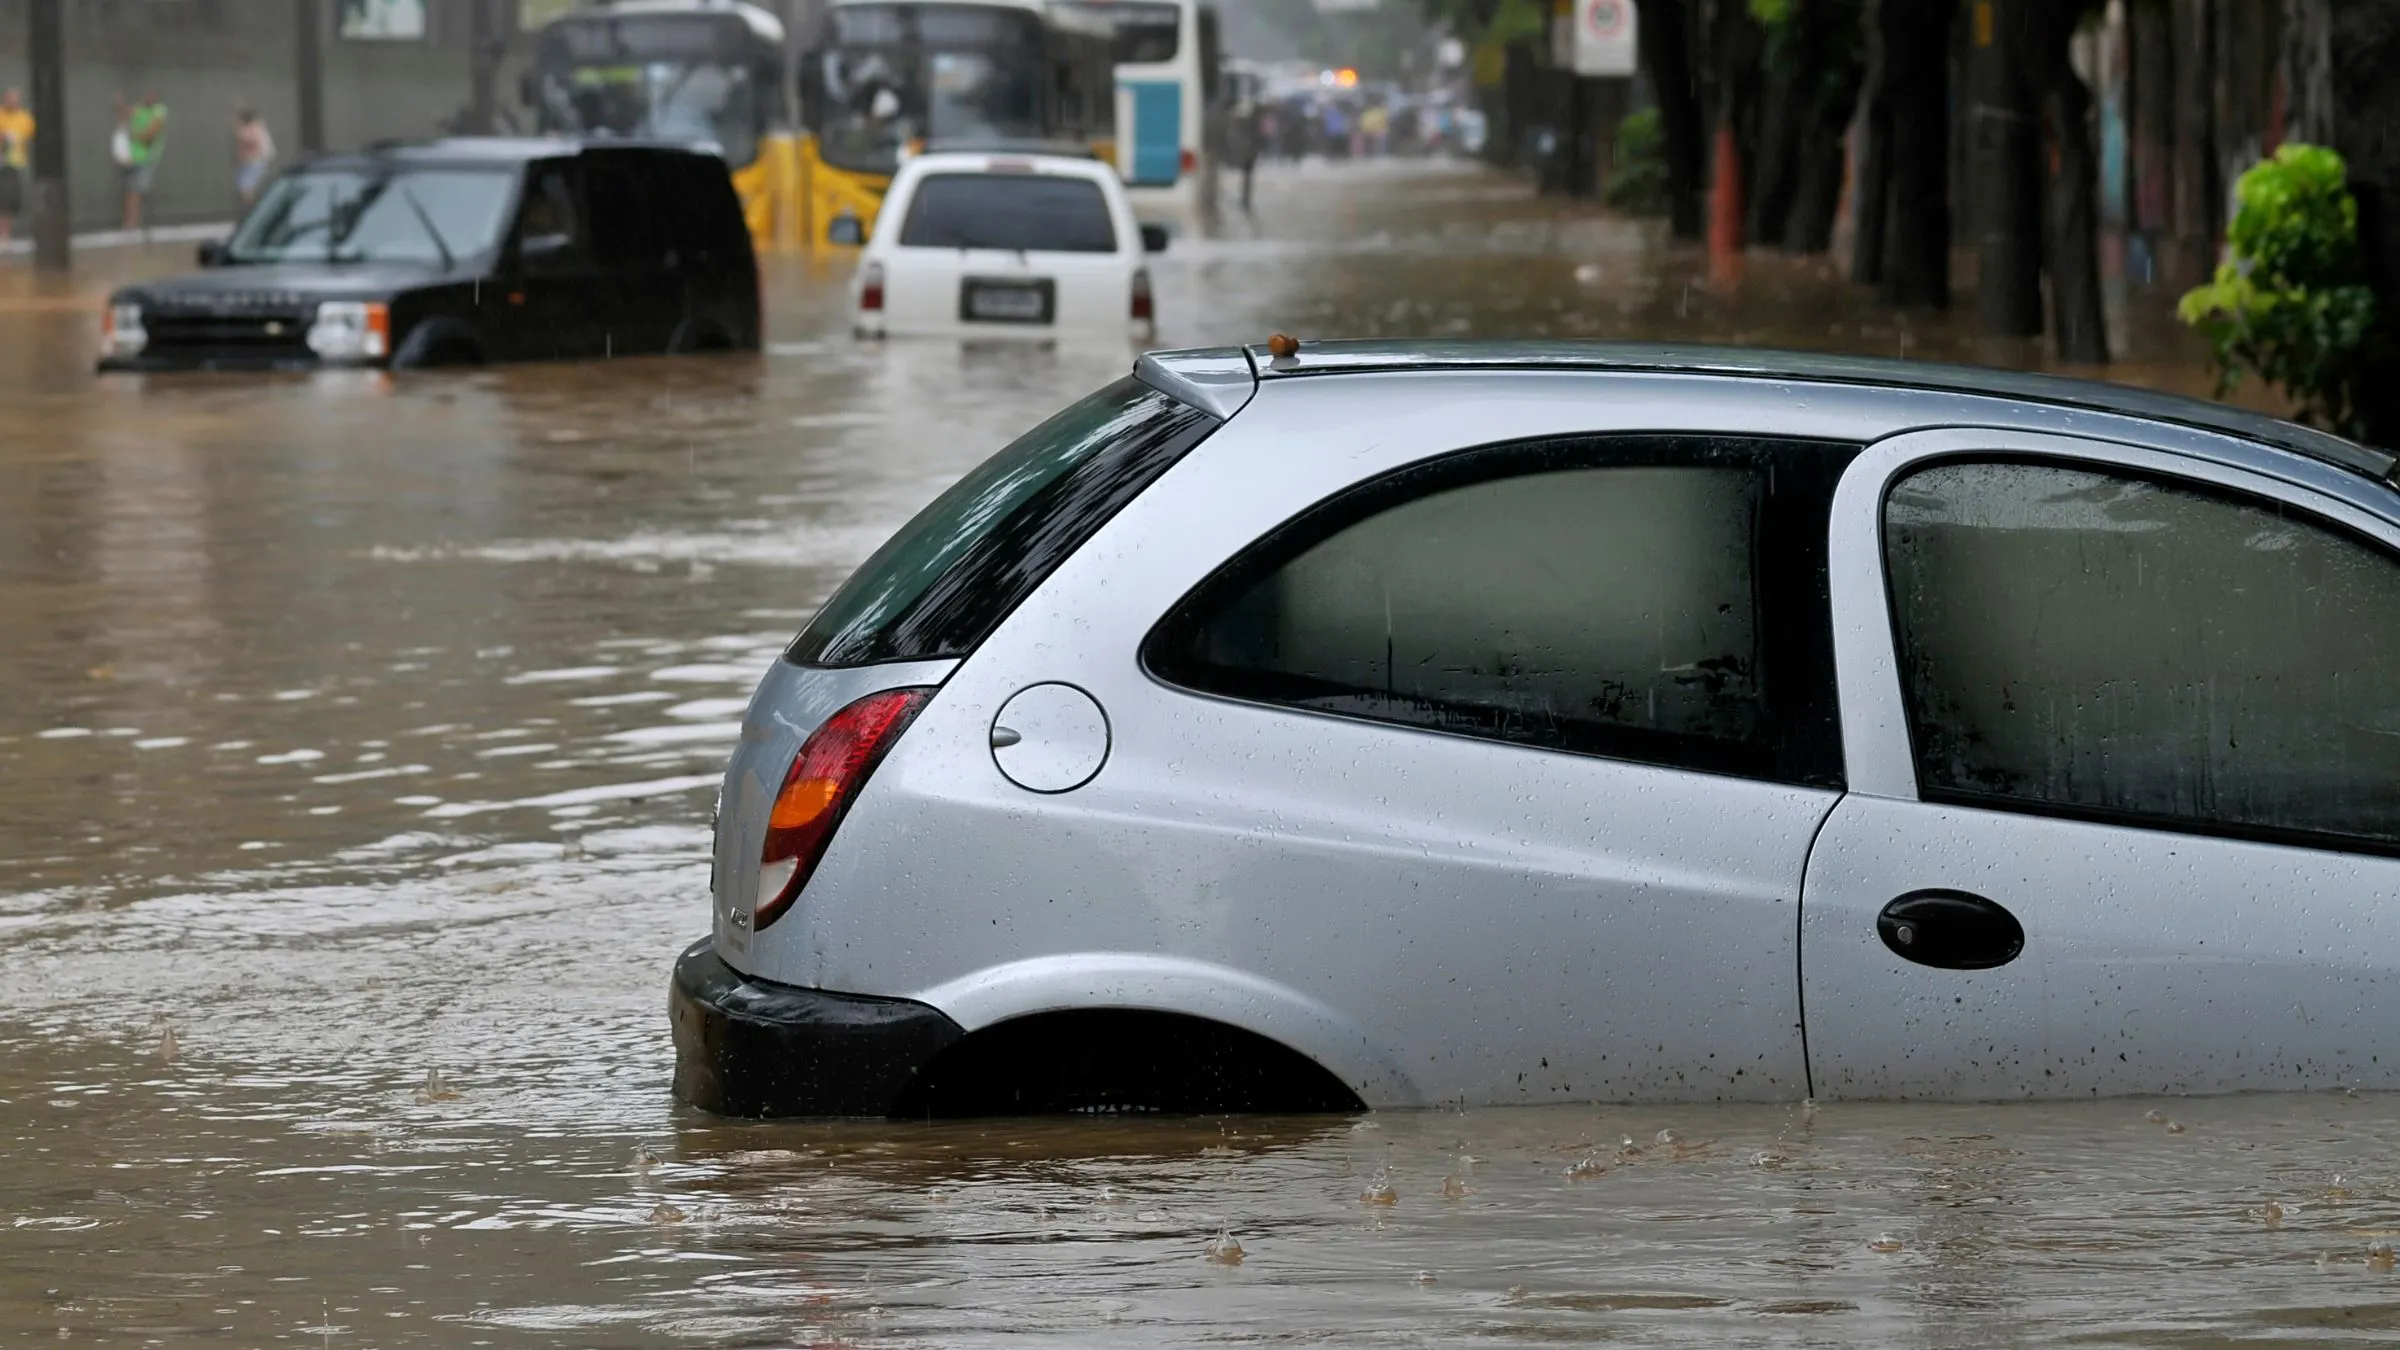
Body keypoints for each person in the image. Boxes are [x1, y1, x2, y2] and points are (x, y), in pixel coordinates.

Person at [123, 90, 168, 230]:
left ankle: (136, 222)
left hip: (147, 158)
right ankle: (131, 222)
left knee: (138, 190)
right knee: (131, 190)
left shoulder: (159, 111)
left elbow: (150, 135)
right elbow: (126, 113)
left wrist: (136, 133)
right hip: (134, 157)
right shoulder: (140, 109)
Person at [0, 88, 32, 244]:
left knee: (9, 200)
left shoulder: (24, 118)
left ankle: (5, 235)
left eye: (15, 99)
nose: (12, 102)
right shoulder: (1, 115)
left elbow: (26, 138)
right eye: (10, 99)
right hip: (2, 163)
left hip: (14, 164)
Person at [231, 103, 274, 207]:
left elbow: (251, 141)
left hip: (253, 163)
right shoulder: (250, 127)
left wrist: (239, 131)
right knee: (244, 189)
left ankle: (250, 210)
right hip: (246, 163)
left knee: (246, 188)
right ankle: (249, 209)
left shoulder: (254, 128)